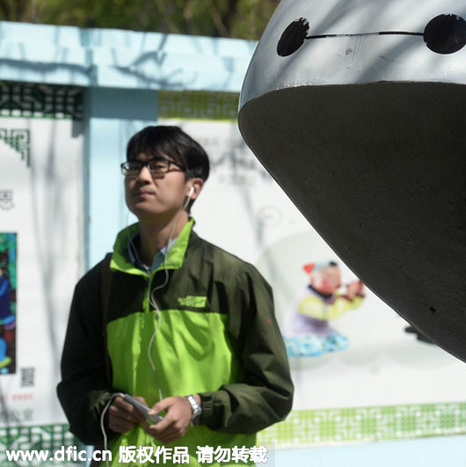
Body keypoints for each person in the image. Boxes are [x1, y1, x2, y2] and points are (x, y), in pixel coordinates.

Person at [57, 125, 293, 466]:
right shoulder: (98, 284)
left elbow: (274, 393)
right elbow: (78, 383)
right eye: (134, 167)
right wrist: (106, 409)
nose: (142, 177)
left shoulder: (232, 278)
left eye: (158, 166)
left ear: (193, 186)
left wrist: (197, 407)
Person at [283, 261, 365, 357]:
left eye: (337, 277)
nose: (335, 282)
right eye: (329, 278)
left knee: (340, 341)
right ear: (313, 279)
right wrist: (349, 294)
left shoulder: (331, 295)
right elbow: (332, 313)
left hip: (320, 330)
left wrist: (358, 293)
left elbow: (350, 306)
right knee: (312, 345)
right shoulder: (305, 300)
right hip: (300, 332)